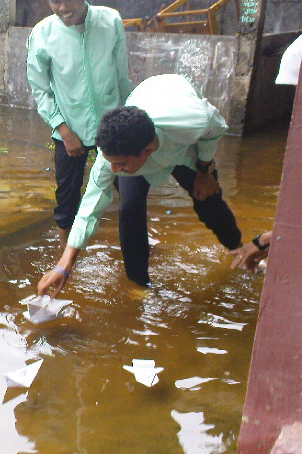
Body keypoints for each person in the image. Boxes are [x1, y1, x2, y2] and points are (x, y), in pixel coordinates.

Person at [38, 74, 242, 295]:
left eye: (121, 164)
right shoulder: (112, 156)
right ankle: (139, 285)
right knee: (129, 208)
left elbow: (216, 129)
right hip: (145, 119)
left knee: (208, 198)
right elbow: (91, 205)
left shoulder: (193, 120)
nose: (114, 170)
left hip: (182, 149)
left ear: (147, 151)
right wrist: (64, 265)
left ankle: (240, 251)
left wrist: (204, 170)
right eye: (110, 163)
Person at [26, 0, 132, 249]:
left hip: (112, 125)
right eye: (55, 1)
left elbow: (121, 76)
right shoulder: (42, 33)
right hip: (69, 128)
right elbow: (40, 89)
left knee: (129, 188)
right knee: (67, 194)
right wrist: (62, 129)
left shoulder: (110, 21)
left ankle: (136, 250)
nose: (62, 7)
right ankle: (66, 256)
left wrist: (128, 119)